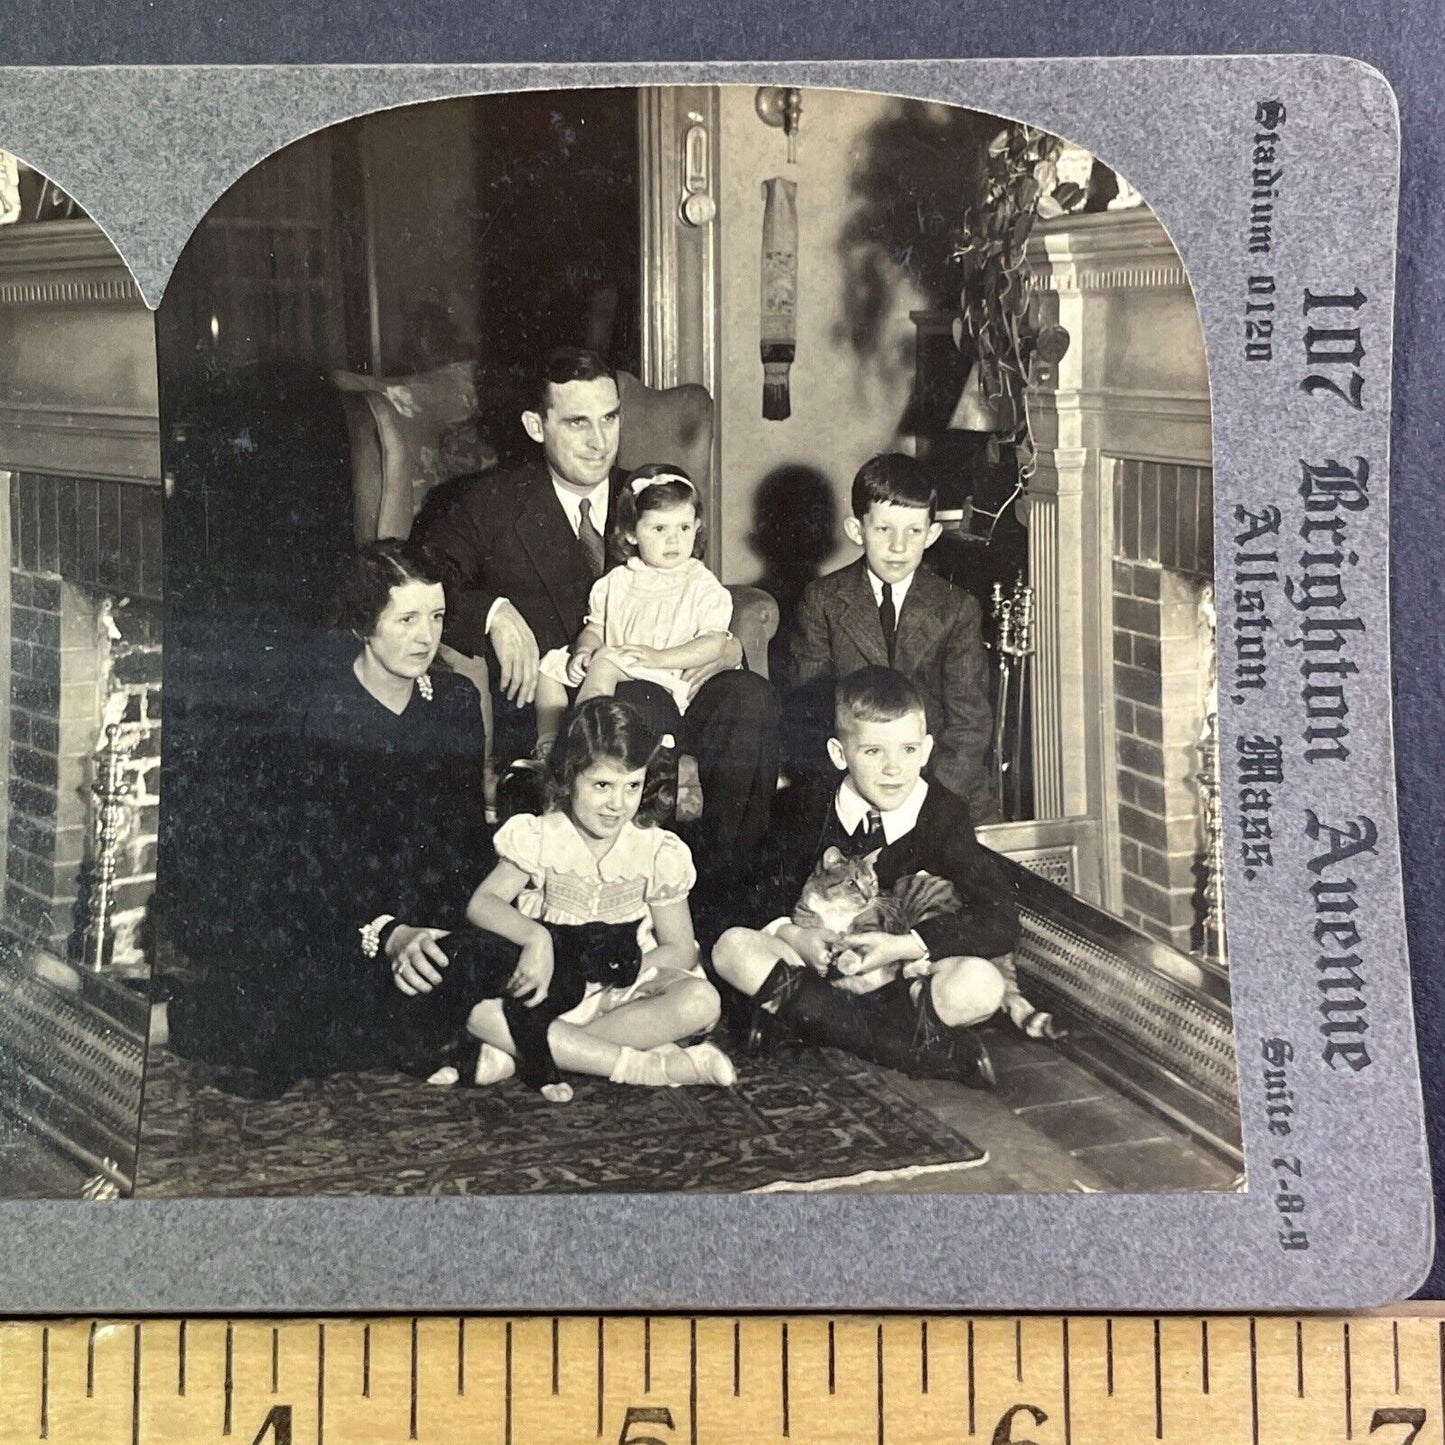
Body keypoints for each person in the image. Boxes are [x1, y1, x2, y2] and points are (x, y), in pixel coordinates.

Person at [410, 346, 779, 863]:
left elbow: (691, 589)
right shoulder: (489, 504)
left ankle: (729, 891)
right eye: (578, 422)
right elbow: (420, 573)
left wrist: (729, 647)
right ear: (536, 426)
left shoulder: (651, 498)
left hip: (675, 687)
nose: (599, 441)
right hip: (570, 711)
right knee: (637, 706)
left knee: (750, 698)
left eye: (609, 419)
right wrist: (493, 612)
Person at [152, 539, 492, 1095]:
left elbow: (465, 838)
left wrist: (472, 920)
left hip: (431, 918)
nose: (426, 636)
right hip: (329, 918)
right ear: (363, 623)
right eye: (405, 619)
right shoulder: (314, 713)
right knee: (313, 1022)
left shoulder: (453, 703)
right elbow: (303, 871)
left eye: (435, 616)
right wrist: (389, 934)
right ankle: (164, 1018)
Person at [712, 666, 1020, 1088]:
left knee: (982, 985)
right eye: (874, 752)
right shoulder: (805, 803)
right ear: (840, 754)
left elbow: (1001, 917)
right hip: (817, 973)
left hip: (902, 984)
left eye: (908, 750)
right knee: (731, 949)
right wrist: (793, 935)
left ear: (927, 749)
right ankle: (906, 1047)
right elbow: (754, 891)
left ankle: (809, 1025)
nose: (894, 769)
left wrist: (902, 946)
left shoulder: (944, 814)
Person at [423, 696, 735, 1100]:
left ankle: (529, 1052)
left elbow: (679, 947)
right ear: (570, 778)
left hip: (625, 989)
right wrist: (537, 940)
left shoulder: (657, 850)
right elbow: (482, 903)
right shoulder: (542, 836)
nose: (617, 804)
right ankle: (643, 1065)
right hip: (552, 985)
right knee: (472, 1007)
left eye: (633, 786)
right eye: (602, 785)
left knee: (702, 1001)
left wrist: (624, 977)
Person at [788, 452, 995, 817]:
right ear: (857, 530)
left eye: (913, 531)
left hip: (940, 787)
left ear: (932, 534)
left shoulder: (957, 608)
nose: (899, 546)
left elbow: (969, 723)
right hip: (852, 786)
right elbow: (812, 713)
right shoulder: (822, 601)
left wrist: (927, 805)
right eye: (884, 529)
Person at [531, 463, 735, 756]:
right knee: (550, 666)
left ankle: (578, 744)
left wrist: (659, 657)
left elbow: (714, 643)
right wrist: (584, 651)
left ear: (697, 527)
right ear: (630, 533)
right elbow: (595, 628)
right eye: (660, 528)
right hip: (618, 664)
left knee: (605, 663)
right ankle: (548, 743)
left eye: (684, 527)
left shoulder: (701, 585)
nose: (674, 539)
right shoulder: (616, 581)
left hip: (664, 675)